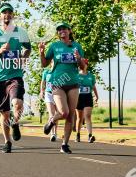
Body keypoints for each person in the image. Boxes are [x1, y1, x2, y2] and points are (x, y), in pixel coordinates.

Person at [0, 3, 31, 154]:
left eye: (9, 12)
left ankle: (15, 123)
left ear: (13, 15)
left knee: (17, 103)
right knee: (4, 113)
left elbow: (28, 48)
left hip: (15, 75)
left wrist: (23, 58)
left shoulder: (20, 32)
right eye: (4, 12)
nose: (7, 15)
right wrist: (0, 50)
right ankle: (7, 141)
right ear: (0, 16)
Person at [39, 23, 84, 154]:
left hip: (73, 83)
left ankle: (65, 145)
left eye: (64, 28)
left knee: (70, 116)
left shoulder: (77, 46)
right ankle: (52, 120)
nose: (61, 31)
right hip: (57, 83)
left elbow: (82, 67)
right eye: (59, 29)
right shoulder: (54, 46)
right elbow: (44, 64)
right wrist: (41, 53)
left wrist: (78, 58)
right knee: (63, 112)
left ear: (69, 31)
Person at [75, 58, 100, 143]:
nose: (82, 66)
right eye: (80, 64)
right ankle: (77, 134)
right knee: (79, 118)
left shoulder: (91, 76)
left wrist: (96, 96)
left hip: (88, 96)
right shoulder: (76, 75)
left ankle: (90, 136)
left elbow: (93, 86)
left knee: (87, 116)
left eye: (83, 64)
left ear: (86, 65)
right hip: (78, 97)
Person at [39, 67, 58, 142]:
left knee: (57, 114)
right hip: (48, 93)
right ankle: (52, 134)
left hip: (58, 94)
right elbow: (43, 82)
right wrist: (42, 91)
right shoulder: (46, 71)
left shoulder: (59, 69)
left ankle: (54, 132)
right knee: (51, 114)